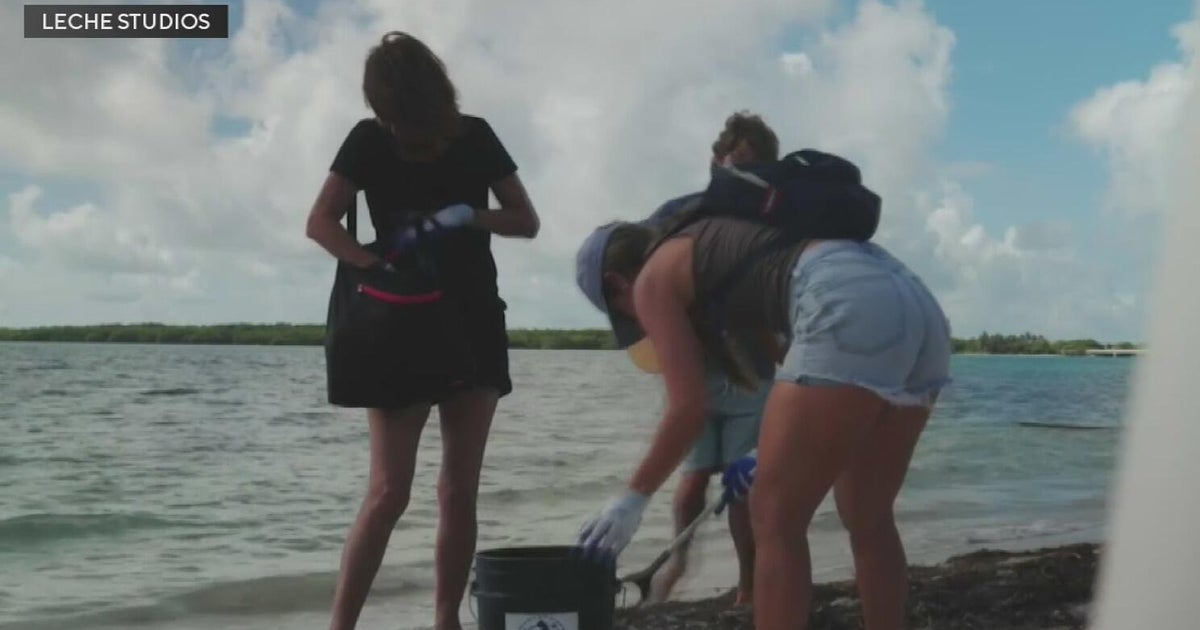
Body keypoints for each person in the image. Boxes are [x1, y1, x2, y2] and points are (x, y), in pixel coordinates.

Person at [573, 190, 950, 627]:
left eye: (626, 315)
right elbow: (794, 363)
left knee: (774, 519)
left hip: (842, 298)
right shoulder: (723, 247)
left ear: (619, 282)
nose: (640, 321)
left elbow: (688, 408)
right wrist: (766, 450)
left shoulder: (653, 278)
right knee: (867, 514)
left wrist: (631, 499)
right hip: (915, 303)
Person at [304, 32, 539, 630]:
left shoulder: (476, 135)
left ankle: (445, 620)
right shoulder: (368, 139)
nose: (404, 132)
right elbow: (321, 222)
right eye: (394, 120)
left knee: (458, 490)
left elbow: (525, 220)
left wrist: (470, 216)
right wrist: (373, 264)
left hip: (472, 321)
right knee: (389, 490)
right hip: (395, 323)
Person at [576, 112, 780, 605]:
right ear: (716, 160)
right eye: (732, 159)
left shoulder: (767, 223)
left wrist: (631, 498)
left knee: (741, 488)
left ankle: (749, 586)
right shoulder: (677, 217)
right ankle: (675, 565)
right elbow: (635, 263)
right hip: (696, 368)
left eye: (752, 163)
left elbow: (772, 318)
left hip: (751, 370)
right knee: (691, 479)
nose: (738, 169)